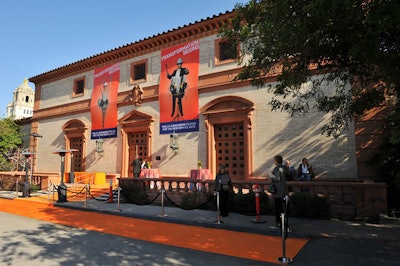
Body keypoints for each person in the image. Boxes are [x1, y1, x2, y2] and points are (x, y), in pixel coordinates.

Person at [271, 155, 290, 227]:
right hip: (284, 190)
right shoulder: (285, 167)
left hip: (278, 191)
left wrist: (271, 176)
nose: (274, 162)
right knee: (284, 207)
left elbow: (277, 178)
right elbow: (288, 176)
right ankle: (284, 221)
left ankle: (279, 222)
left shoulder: (277, 168)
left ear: (276, 161)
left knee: (278, 207)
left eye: (274, 160)